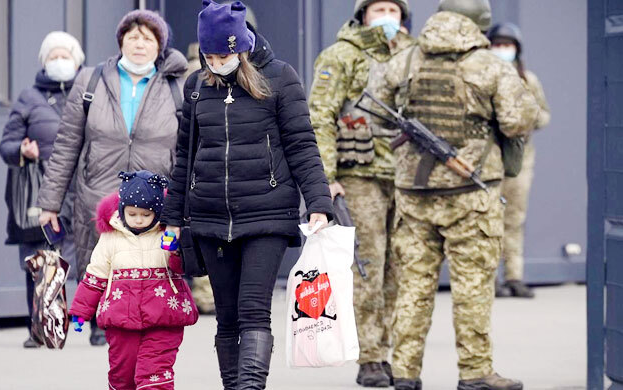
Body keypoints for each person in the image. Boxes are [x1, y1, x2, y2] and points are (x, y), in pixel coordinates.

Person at [161, 1, 334, 388]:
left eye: (223, 53)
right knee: (226, 315)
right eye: (208, 55)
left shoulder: (280, 78)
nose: (216, 61)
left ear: (242, 46)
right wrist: (173, 218)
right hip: (210, 216)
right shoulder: (196, 86)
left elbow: (302, 144)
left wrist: (319, 202)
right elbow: (184, 155)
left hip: (266, 214)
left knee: (254, 309)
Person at [369, 0, 540, 389]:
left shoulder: (407, 58)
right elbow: (518, 121)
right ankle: (475, 373)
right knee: (473, 287)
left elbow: (376, 113)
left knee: (412, 285)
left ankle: (405, 372)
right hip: (472, 196)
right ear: (480, 24)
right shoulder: (491, 65)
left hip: (414, 194)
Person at [37, 10, 188, 346]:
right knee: (101, 257)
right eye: (132, 36)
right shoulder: (90, 81)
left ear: (159, 46)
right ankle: (100, 322)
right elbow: (66, 146)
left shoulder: (176, 86)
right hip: (98, 192)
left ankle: (143, 322)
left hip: (154, 199)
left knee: (147, 263)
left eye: (147, 38)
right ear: (121, 41)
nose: (139, 44)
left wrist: (182, 203)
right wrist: (49, 203)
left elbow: (186, 150)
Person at [308, 0, 414, 386]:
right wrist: (326, 177)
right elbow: (320, 115)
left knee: (403, 270)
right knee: (367, 267)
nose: (387, 17)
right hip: (360, 176)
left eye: (394, 9)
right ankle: (370, 356)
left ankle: (397, 355)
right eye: (378, 9)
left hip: (407, 178)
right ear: (362, 15)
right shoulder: (341, 55)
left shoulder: (414, 55)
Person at [69, 171, 198, 390]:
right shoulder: (110, 238)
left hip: (163, 316)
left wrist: (175, 250)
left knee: (154, 374)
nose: (139, 219)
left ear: (157, 212)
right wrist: (81, 311)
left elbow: (182, 268)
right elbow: (95, 275)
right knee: (123, 375)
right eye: (133, 214)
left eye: (146, 215)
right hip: (122, 318)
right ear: (122, 211)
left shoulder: (166, 233)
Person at [0, 31, 84, 348]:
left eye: (65, 56)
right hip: (43, 188)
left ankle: (101, 325)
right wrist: (21, 149)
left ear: (77, 61)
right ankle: (41, 327)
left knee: (92, 257)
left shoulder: (88, 94)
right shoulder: (29, 98)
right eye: (53, 56)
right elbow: (6, 144)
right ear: (44, 62)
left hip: (83, 187)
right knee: (41, 258)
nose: (60, 62)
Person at [183, 3, 258, 316]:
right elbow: (186, 140)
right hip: (208, 182)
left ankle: (209, 296)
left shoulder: (265, 75)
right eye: (210, 57)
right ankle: (205, 296)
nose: (217, 64)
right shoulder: (196, 78)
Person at [488, 22, 551, 299]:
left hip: (520, 161)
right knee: (488, 220)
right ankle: (490, 280)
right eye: (497, 44)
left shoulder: (529, 79)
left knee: (514, 219)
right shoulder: (483, 76)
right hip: (489, 160)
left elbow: (545, 115)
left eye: (508, 45)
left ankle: (514, 276)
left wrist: (528, 118)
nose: (503, 50)